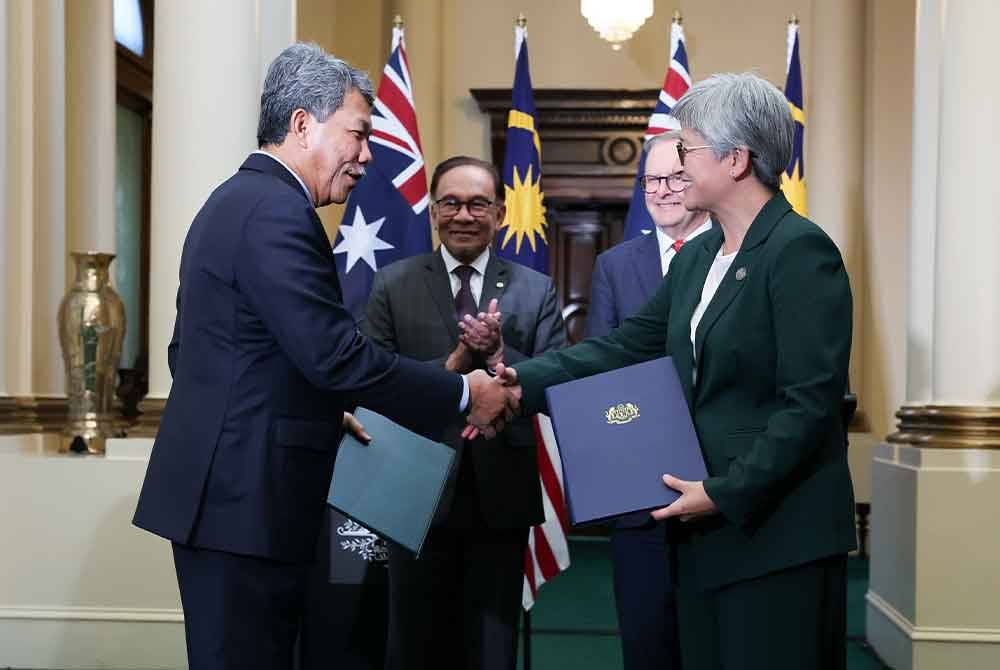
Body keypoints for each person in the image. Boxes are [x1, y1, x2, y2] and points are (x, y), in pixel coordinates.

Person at [132, 44, 511, 670]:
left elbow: (202, 354)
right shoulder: (277, 212)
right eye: (359, 134)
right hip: (245, 503)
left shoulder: (238, 201)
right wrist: (468, 392)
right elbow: (336, 356)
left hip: (232, 497)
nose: (367, 156)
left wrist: (313, 409)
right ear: (304, 123)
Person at [489, 72, 855, 669]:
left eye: (687, 150)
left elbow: (810, 405)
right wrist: (519, 383)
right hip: (705, 531)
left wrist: (721, 493)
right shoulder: (701, 256)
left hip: (774, 533)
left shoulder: (799, 252)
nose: (677, 166)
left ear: (735, 159)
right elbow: (627, 345)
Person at [362, 156, 566, 670]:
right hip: (413, 486)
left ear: (499, 212)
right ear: (433, 212)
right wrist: (453, 365)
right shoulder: (393, 283)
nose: (464, 214)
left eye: (478, 203)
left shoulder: (535, 288)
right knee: (413, 641)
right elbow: (373, 382)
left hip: (501, 494)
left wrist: (499, 358)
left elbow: (556, 383)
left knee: (491, 645)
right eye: (450, 202)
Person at [586, 130, 711, 670]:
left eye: (676, 177)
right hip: (640, 494)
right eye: (652, 180)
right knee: (647, 642)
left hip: (718, 488)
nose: (662, 190)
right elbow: (600, 373)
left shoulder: (733, 254)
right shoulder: (615, 265)